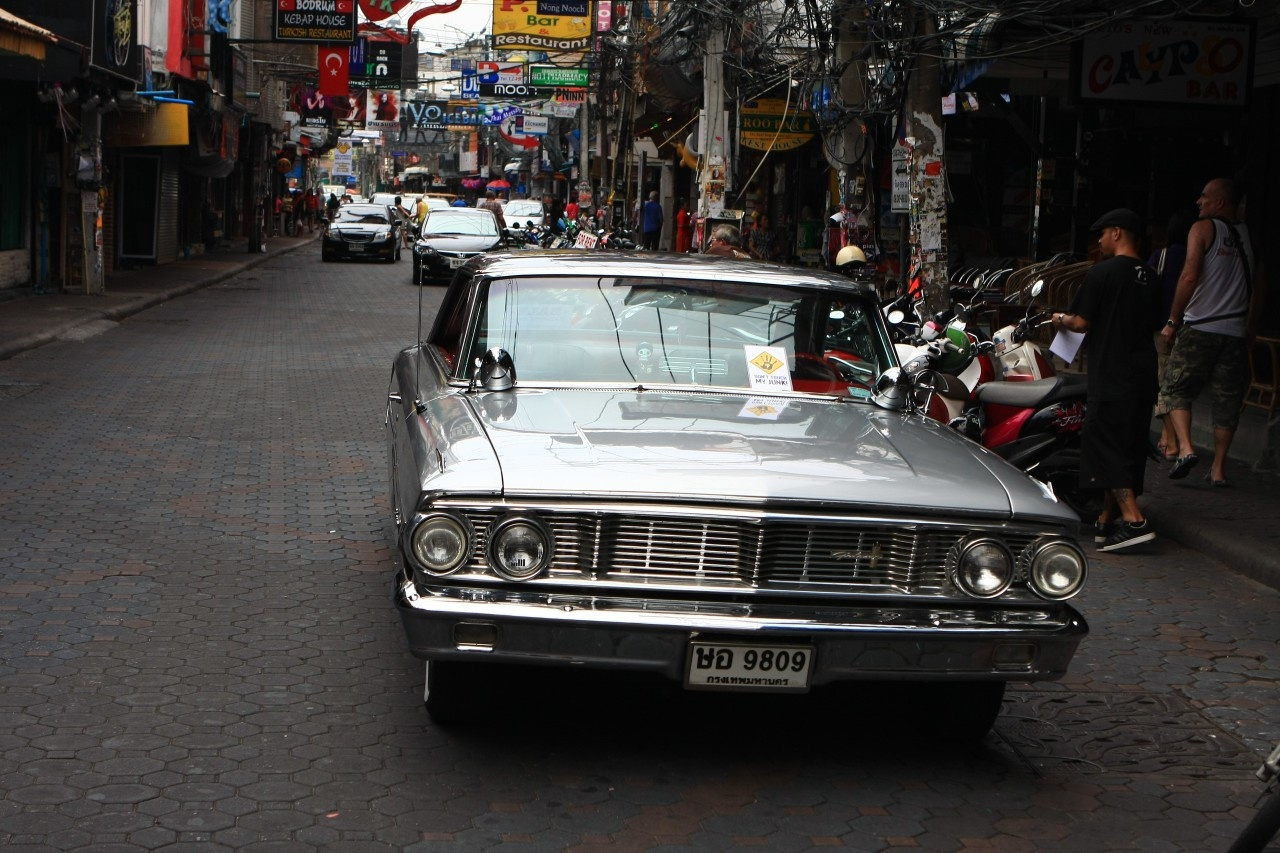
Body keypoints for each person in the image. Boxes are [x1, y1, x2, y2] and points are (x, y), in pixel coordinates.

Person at [1051, 208, 1160, 552]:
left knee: (1104, 445)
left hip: (1111, 372)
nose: (1098, 241)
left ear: (1117, 232)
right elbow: (1157, 323)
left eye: (1101, 233)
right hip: (1143, 373)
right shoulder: (1152, 276)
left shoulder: (1102, 273)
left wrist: (1060, 318)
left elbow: (1081, 322)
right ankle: (1107, 518)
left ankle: (1134, 520)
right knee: (1129, 444)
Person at [1160, 178, 1265, 487]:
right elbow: (1261, 284)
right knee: (1227, 401)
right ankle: (1218, 469)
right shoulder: (1250, 235)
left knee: (1175, 389)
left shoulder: (1202, 229)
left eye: (1204, 196)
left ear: (1220, 202)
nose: (1199, 201)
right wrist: (1251, 325)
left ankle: (1186, 448)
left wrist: (1173, 320)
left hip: (1200, 327)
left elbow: (1190, 275)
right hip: (1235, 331)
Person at [1148, 211, 1194, 461]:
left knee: (1163, 382)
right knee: (1180, 384)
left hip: (1163, 327)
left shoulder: (1161, 257)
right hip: (1190, 327)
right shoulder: (1197, 257)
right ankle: (1170, 436)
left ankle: (1172, 439)